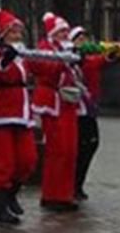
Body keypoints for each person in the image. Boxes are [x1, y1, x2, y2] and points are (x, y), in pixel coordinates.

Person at [0, 10, 37, 225]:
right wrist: (5, 60)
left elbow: (42, 68)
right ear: (3, 34)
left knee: (28, 160)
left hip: (22, 114)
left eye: (18, 31)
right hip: (0, 115)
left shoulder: (24, 57)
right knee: (3, 163)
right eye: (13, 31)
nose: (17, 35)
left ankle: (11, 194)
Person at [30, 13, 84, 213]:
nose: (65, 34)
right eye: (61, 31)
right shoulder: (45, 48)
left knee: (70, 151)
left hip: (67, 103)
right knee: (58, 150)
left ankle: (65, 193)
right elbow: (44, 69)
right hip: (53, 103)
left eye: (66, 30)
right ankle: (52, 195)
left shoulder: (66, 48)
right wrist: (64, 60)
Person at [69, 26, 110, 201]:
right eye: (79, 38)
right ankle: (73, 184)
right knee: (79, 146)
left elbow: (101, 61)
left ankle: (78, 183)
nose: (83, 42)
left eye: (85, 38)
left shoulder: (90, 59)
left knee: (91, 144)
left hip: (88, 106)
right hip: (74, 107)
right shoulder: (71, 58)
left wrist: (116, 53)